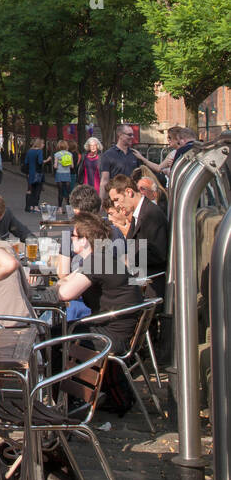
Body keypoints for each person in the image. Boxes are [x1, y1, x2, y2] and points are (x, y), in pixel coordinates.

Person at [56, 212, 153, 412]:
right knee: (59, 330)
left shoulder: (97, 261)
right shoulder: (101, 258)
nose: (70, 240)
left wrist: (53, 289)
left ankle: (68, 400)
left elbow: (64, 293)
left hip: (112, 336)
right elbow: (67, 280)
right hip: (119, 330)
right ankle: (68, 397)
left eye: (73, 236)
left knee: (56, 336)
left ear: (84, 240)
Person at [107, 173, 168, 292]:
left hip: (150, 285)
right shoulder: (139, 213)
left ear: (129, 192)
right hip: (141, 280)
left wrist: (126, 259)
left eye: (117, 200)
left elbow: (159, 254)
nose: (116, 205)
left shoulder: (151, 213)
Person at [99, 124, 139, 202]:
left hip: (132, 198)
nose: (132, 137)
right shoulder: (108, 155)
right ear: (120, 135)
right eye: (129, 135)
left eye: (133, 135)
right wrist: (102, 201)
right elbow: (104, 180)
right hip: (115, 198)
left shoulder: (135, 154)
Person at [22, 139, 46, 212]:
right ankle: (35, 206)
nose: (43, 145)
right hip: (38, 173)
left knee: (30, 189)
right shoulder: (39, 151)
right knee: (37, 190)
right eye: (43, 143)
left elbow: (26, 162)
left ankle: (29, 206)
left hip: (30, 173)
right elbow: (40, 162)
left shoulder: (29, 151)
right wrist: (47, 160)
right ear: (39, 144)